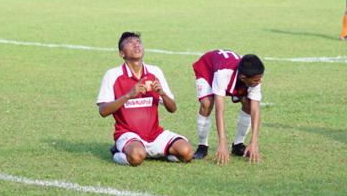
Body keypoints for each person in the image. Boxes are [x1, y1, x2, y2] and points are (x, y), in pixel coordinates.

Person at [97, 32, 193, 166]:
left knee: (187, 152)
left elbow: (173, 108)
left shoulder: (155, 72)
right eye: (130, 42)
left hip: (155, 134)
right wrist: (128, 95)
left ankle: (154, 152)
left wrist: (163, 94)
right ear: (121, 53)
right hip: (128, 134)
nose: (136, 44)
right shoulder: (112, 75)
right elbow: (103, 111)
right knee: (136, 156)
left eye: (138, 42)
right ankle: (118, 153)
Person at [191, 49, 265, 164]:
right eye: (256, 80)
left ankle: (238, 145)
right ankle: (202, 146)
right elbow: (220, 109)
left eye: (260, 78)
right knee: (207, 103)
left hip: (232, 75)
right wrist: (222, 143)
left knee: (248, 104)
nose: (260, 81)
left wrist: (254, 142)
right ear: (243, 78)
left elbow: (255, 110)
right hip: (208, 69)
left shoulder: (254, 77)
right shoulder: (223, 73)